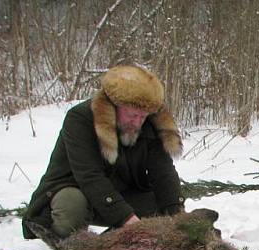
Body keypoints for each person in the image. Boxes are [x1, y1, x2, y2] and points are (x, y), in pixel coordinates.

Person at [22, 64, 184, 240]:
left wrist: (177, 218)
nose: (138, 122)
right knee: (72, 204)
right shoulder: (80, 119)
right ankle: (64, 246)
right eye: (132, 115)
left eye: (143, 117)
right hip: (77, 191)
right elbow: (89, 176)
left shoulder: (150, 122)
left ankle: (113, 244)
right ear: (114, 105)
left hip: (120, 192)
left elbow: (164, 173)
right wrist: (127, 219)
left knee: (161, 205)